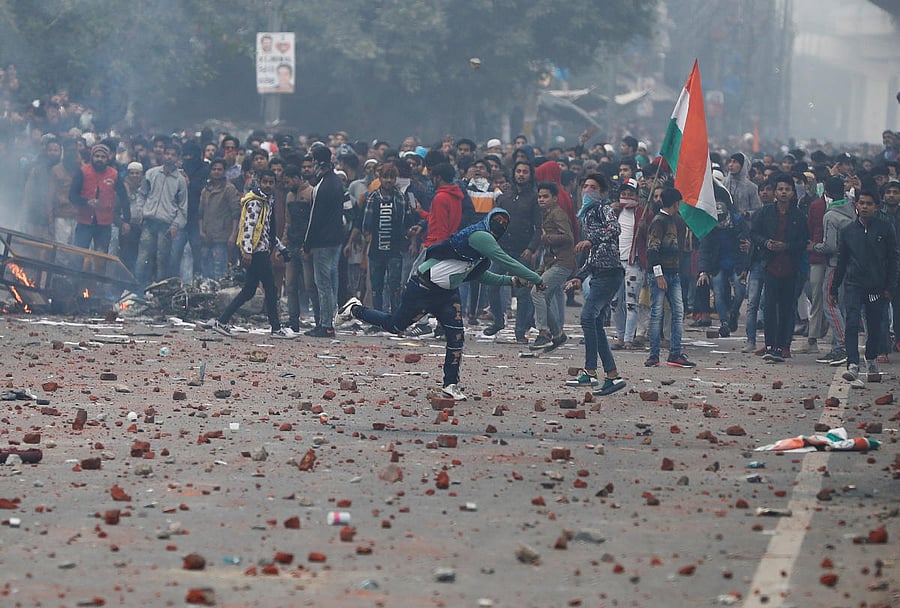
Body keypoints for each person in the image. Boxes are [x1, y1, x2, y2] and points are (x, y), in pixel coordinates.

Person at [334, 208, 544, 401]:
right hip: (423, 288)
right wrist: (536, 278)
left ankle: (450, 384)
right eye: (498, 219)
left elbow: (480, 275)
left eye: (505, 223)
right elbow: (507, 261)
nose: (501, 224)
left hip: (447, 294)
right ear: (489, 220)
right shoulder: (481, 236)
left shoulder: (484, 253)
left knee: (456, 336)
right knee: (395, 325)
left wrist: (511, 281)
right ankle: (354, 309)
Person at [564, 173, 626, 395]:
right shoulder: (586, 215)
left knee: (587, 317)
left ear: (602, 192)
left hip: (610, 273)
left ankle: (590, 372)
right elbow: (593, 257)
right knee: (596, 324)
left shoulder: (603, 209)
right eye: (585, 186)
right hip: (598, 272)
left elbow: (614, 229)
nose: (587, 190)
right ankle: (612, 375)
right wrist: (579, 277)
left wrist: (593, 239)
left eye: (593, 187)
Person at [212, 170, 293, 338]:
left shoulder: (267, 201)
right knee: (270, 289)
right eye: (265, 182)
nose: (268, 185)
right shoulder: (255, 202)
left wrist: (281, 247)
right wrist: (247, 251)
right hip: (256, 253)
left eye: (271, 182)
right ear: (259, 182)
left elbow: (265, 231)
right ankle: (276, 328)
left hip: (261, 249)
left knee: (249, 290)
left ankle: (222, 320)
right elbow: (248, 227)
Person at [829, 190, 898, 383]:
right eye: (862, 203)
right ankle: (852, 364)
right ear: (856, 205)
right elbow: (842, 261)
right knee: (851, 323)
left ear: (876, 206)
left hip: (877, 287)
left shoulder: (886, 229)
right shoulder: (848, 231)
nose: (865, 207)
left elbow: (893, 259)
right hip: (853, 285)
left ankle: (871, 358)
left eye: (869, 203)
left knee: (875, 326)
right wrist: (834, 288)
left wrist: (890, 287)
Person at [751, 174, 809, 363]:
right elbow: (754, 234)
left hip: (791, 267)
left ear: (793, 193)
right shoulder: (765, 213)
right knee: (769, 307)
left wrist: (787, 246)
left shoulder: (799, 216)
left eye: (787, 189)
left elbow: (803, 241)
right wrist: (767, 243)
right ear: (776, 192)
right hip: (770, 265)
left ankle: (784, 345)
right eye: (780, 189)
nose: (784, 193)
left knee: (787, 307)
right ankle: (770, 345)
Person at [645, 188, 695, 368]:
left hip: (674, 273)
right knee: (656, 313)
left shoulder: (678, 221)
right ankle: (654, 355)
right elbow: (652, 249)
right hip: (660, 274)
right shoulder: (658, 222)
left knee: (677, 312)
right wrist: (658, 274)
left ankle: (675, 353)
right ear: (675, 203)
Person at [302, 145, 344, 337]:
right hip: (335, 239)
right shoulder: (337, 182)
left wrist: (307, 243)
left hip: (323, 242)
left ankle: (326, 324)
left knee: (323, 284)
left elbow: (314, 218)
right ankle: (327, 322)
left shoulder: (323, 186)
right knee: (328, 283)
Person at [134, 142, 187, 286]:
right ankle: (137, 288)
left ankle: (158, 290)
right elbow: (141, 194)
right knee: (143, 257)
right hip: (149, 222)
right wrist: (140, 212)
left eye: (173, 155)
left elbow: (183, 207)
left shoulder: (180, 181)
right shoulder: (151, 173)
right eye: (167, 154)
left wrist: (176, 225)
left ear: (177, 158)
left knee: (162, 259)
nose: (169, 157)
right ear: (163, 155)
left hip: (166, 226)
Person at [530, 181, 575, 350]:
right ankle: (557, 335)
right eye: (540, 196)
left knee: (537, 292)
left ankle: (544, 332)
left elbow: (568, 237)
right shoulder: (547, 214)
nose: (541, 199)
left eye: (545, 196)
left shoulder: (558, 214)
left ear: (554, 198)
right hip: (552, 261)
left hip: (563, 262)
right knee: (544, 298)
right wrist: (541, 268)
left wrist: (546, 238)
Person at [69, 143, 129, 253]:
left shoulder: (114, 174)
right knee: (78, 254)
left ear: (108, 158)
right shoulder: (83, 172)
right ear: (92, 157)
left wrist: (126, 220)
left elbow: (124, 197)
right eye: (97, 156)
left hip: (104, 223)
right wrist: (86, 202)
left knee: (100, 257)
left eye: (103, 157)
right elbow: (72, 196)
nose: (99, 159)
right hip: (84, 221)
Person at [198, 158, 240, 280]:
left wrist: (233, 234)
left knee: (219, 271)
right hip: (207, 237)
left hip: (222, 238)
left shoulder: (229, 189)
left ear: (224, 171)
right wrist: (201, 231)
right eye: (214, 169)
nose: (216, 172)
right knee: (206, 271)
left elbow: (236, 213)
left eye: (219, 169)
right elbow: (200, 213)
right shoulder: (206, 190)